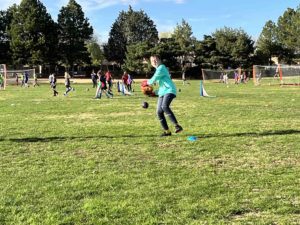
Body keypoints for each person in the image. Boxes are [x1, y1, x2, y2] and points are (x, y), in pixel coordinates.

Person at [145, 55, 183, 137]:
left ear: (159, 60)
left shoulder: (161, 67)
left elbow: (153, 79)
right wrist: (153, 92)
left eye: (155, 59)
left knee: (164, 106)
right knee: (159, 112)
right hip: (163, 92)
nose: (154, 61)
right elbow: (162, 87)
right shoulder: (157, 70)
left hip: (170, 90)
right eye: (152, 61)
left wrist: (146, 83)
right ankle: (167, 131)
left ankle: (177, 126)